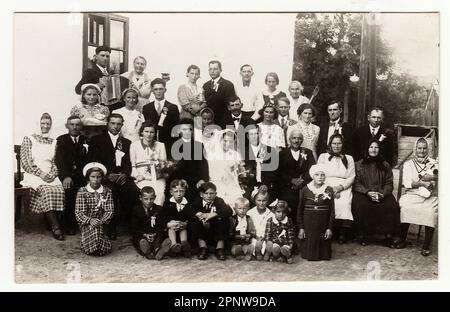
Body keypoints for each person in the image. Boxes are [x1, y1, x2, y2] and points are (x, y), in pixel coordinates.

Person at [88, 113, 140, 240]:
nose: (115, 126)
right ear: (107, 124)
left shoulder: (127, 142)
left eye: (118, 124)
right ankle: (111, 227)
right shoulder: (97, 140)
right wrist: (106, 175)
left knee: (133, 190)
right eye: (113, 123)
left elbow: (129, 162)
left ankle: (131, 225)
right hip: (105, 177)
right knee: (111, 192)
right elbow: (93, 161)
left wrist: (124, 174)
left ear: (122, 125)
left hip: (122, 176)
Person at [20, 113, 65, 240]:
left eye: (48, 124)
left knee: (59, 189)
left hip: (50, 173)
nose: (45, 126)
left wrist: (53, 174)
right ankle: (56, 227)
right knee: (46, 190)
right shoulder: (29, 139)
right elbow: (26, 161)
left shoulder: (53, 141)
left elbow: (56, 162)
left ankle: (49, 220)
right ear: (38, 124)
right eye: (43, 123)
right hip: (33, 173)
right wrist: (41, 174)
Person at [352, 139, 401, 247]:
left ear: (379, 149)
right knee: (362, 205)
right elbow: (356, 183)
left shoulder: (385, 165)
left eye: (376, 147)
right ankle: (364, 235)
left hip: (381, 193)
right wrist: (368, 192)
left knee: (391, 205)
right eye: (371, 147)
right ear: (367, 149)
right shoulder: (359, 164)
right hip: (364, 193)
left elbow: (389, 183)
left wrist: (382, 193)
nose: (373, 150)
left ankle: (387, 236)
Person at [398, 138, 438, 256]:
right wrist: (421, 183)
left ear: (428, 149)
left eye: (424, 148)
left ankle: (426, 245)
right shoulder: (408, 164)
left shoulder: (433, 163)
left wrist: (434, 178)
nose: (422, 151)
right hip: (412, 194)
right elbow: (407, 183)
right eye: (419, 148)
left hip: (430, 196)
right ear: (415, 149)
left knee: (430, 212)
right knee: (405, 208)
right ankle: (402, 239)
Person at [317, 134, 355, 244]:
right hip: (325, 184)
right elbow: (318, 173)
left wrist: (340, 188)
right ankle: (325, 229)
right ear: (330, 144)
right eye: (334, 143)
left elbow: (351, 177)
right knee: (326, 200)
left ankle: (341, 233)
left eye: (339, 143)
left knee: (343, 202)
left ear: (343, 145)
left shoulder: (349, 158)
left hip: (343, 186)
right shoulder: (323, 156)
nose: (336, 146)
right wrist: (329, 189)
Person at [55, 116, 89, 235]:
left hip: (82, 174)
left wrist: (88, 176)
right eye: (72, 124)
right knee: (69, 191)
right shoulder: (61, 140)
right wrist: (65, 176)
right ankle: (69, 224)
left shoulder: (86, 140)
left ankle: (85, 222)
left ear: (81, 127)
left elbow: (90, 160)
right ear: (67, 126)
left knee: (86, 190)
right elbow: (60, 161)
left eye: (77, 125)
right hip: (67, 173)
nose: (75, 127)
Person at [277, 129, 315, 224]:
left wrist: (303, 181)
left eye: (299, 138)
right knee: (287, 201)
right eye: (294, 138)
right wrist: (291, 180)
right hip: (287, 187)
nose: (296, 141)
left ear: (302, 140)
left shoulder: (308, 153)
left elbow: (312, 170)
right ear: (289, 139)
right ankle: (288, 227)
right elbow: (279, 172)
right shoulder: (281, 154)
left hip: (304, 186)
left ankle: (302, 228)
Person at [297, 164, 335, 261]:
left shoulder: (329, 189)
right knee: (309, 250)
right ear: (312, 176)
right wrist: (301, 228)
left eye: (322, 175)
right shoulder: (306, 189)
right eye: (317, 174)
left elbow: (332, 210)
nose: (320, 177)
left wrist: (329, 228)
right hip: (309, 224)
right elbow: (300, 210)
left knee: (323, 251)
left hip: (322, 224)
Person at [75, 162, 114, 256]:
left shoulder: (107, 191)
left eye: (98, 177)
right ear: (88, 177)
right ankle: (91, 247)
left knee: (98, 230)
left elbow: (110, 210)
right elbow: (79, 212)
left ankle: (100, 247)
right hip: (87, 222)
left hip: (102, 222)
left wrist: (101, 220)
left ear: (102, 177)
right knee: (93, 230)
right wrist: (90, 220)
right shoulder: (82, 191)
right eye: (93, 177)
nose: (95, 180)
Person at [190, 182, 233, 260]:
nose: (209, 196)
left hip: (215, 231)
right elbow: (188, 209)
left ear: (216, 194)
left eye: (211, 193)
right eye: (206, 193)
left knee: (225, 219)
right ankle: (202, 247)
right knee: (193, 221)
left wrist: (214, 214)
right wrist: (198, 214)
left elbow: (229, 210)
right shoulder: (197, 201)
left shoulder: (219, 201)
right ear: (201, 194)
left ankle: (220, 248)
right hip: (202, 231)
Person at [169, 118, 209, 201]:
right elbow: (174, 167)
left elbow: (203, 164)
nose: (187, 132)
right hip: (178, 178)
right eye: (184, 129)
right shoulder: (174, 146)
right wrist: (181, 179)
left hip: (195, 179)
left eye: (190, 129)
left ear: (193, 131)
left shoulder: (198, 145)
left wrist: (202, 179)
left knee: (199, 196)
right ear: (179, 130)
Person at [129, 122, 167, 206]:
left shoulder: (160, 145)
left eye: (151, 132)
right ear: (142, 132)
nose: (149, 134)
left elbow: (163, 164)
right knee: (145, 195)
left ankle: (156, 215)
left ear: (155, 133)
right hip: (141, 177)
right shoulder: (134, 145)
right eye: (146, 131)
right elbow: (133, 165)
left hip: (157, 177)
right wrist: (137, 176)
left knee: (159, 193)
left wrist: (158, 173)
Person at [131, 186, 172, 260]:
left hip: (155, 233)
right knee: (139, 240)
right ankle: (147, 252)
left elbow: (161, 226)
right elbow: (134, 227)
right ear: (140, 198)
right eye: (146, 199)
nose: (149, 201)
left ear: (155, 197)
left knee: (160, 238)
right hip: (143, 234)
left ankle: (159, 251)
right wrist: (145, 235)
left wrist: (155, 234)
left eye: (151, 199)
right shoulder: (136, 210)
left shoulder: (159, 209)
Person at [207, 130, 245, 206]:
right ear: (221, 140)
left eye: (230, 142)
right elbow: (210, 172)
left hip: (231, 183)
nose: (227, 144)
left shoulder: (235, 154)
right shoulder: (212, 155)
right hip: (217, 182)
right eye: (225, 141)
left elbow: (237, 172)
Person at [240, 124, 277, 202]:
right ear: (247, 136)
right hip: (248, 186)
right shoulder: (241, 152)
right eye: (251, 134)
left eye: (257, 133)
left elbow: (273, 172)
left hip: (265, 185)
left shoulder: (270, 151)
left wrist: (265, 185)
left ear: (261, 135)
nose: (254, 136)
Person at [143, 78, 180, 152]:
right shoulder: (147, 108)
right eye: (156, 89)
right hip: (151, 145)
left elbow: (176, 130)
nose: (158, 92)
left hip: (168, 144)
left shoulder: (173, 107)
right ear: (152, 91)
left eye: (161, 89)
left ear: (165, 90)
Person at [160, 179, 194, 257]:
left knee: (183, 229)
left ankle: (184, 244)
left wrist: (186, 223)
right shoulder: (167, 204)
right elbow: (163, 217)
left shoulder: (188, 204)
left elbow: (192, 216)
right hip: (172, 228)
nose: (179, 194)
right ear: (171, 192)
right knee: (171, 229)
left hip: (183, 227)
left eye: (181, 191)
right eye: (176, 191)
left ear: (184, 191)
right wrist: (169, 224)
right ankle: (174, 245)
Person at [247, 185, 275, 261]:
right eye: (259, 200)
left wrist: (265, 237)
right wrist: (255, 236)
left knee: (269, 246)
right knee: (253, 245)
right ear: (254, 201)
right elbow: (249, 228)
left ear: (267, 201)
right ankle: (256, 252)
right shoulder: (250, 213)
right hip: (254, 236)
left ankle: (264, 253)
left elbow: (271, 229)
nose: (261, 203)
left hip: (265, 237)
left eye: (264, 200)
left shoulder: (271, 214)